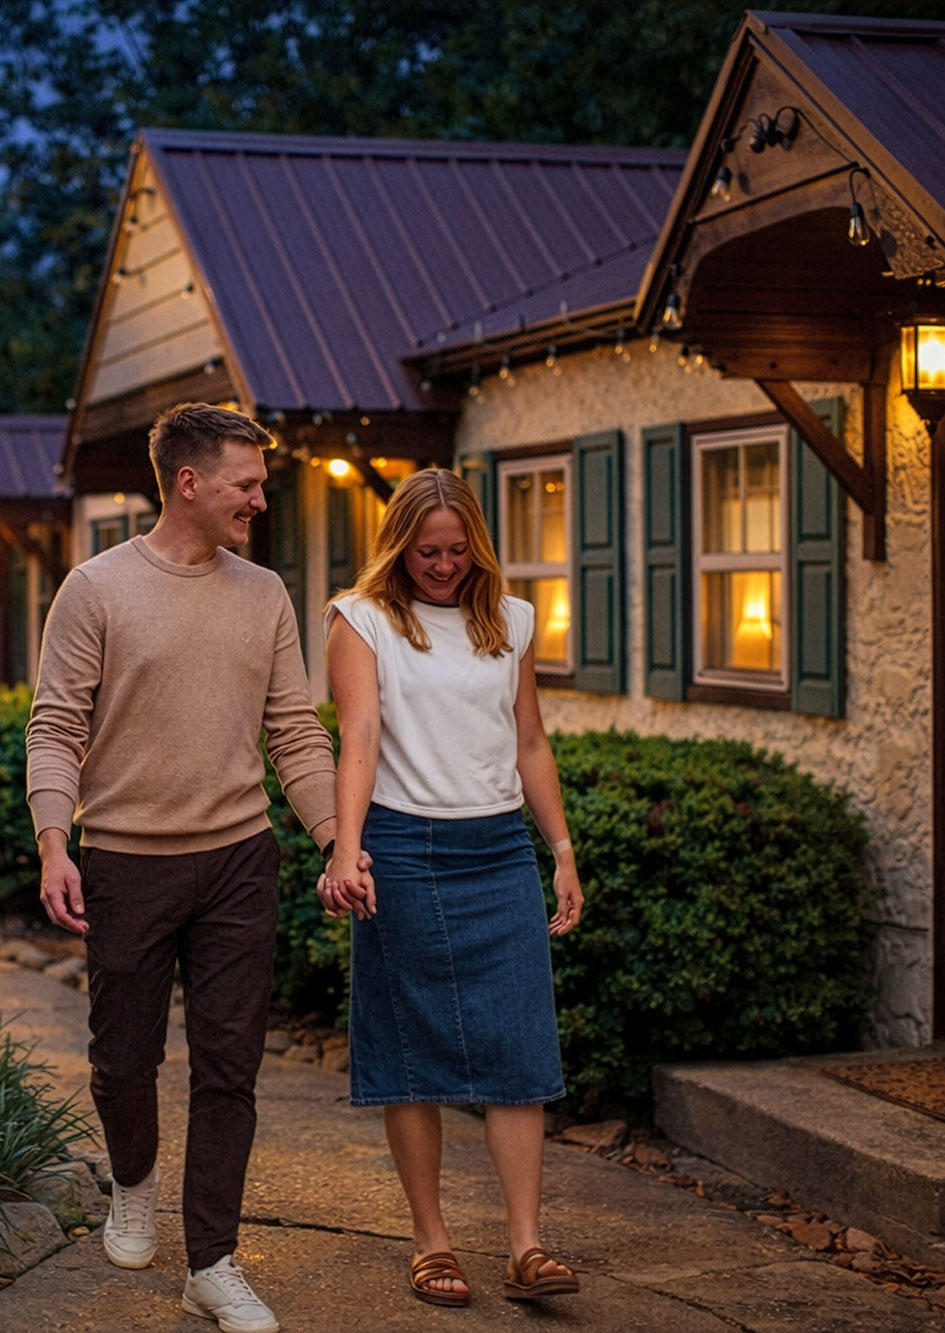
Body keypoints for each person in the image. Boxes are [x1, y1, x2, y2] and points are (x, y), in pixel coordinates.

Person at [26, 402, 355, 1333]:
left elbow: (294, 729)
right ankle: (134, 1182)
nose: (261, 497)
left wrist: (333, 834)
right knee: (123, 1060)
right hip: (125, 861)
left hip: (239, 861)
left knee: (230, 1069)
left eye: (262, 482)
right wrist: (57, 839)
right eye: (247, 483)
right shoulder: (95, 589)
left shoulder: (265, 593)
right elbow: (56, 725)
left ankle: (212, 1259)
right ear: (189, 482)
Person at [319, 467, 584, 1309]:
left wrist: (562, 850)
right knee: (411, 1054)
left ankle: (527, 1245)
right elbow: (357, 733)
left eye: (457, 549)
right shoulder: (360, 620)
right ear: (400, 547)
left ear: (478, 543)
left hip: (499, 848)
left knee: (519, 1049)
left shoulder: (512, 619)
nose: (442, 565)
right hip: (401, 848)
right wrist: (348, 849)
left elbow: (530, 740)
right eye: (426, 551)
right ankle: (431, 1241)